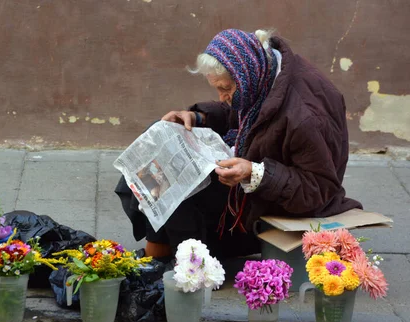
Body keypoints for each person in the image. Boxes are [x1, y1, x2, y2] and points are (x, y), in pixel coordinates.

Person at [115, 28, 362, 260]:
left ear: (246, 76)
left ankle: (186, 263)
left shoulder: (304, 117)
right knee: (159, 145)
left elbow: (319, 189)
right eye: (218, 89)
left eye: (225, 88)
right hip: (256, 168)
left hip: (275, 203)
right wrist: (199, 118)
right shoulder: (264, 71)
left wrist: (255, 173)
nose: (223, 96)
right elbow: (237, 111)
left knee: (181, 184)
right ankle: (161, 246)